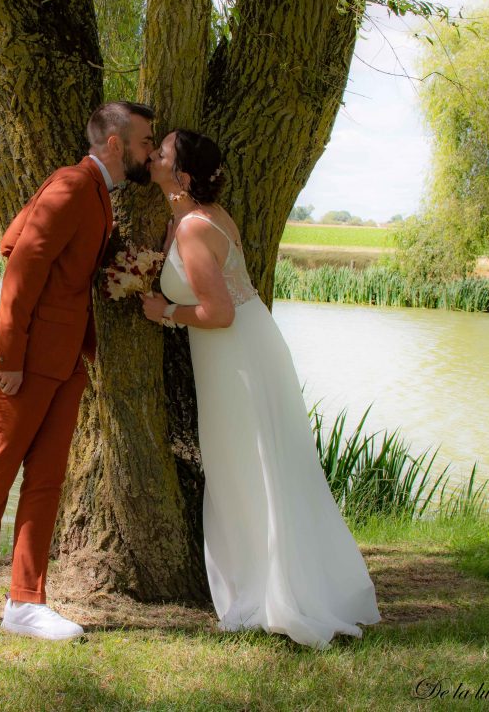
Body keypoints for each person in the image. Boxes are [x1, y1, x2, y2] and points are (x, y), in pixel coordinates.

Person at [140, 129, 381, 648]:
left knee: (246, 467)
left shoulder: (194, 228)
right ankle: (273, 582)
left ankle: (269, 593)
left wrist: (165, 314)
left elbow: (218, 312)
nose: (153, 155)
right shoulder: (195, 219)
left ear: (181, 176)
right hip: (245, 348)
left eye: (161, 153)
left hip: (235, 356)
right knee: (259, 465)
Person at [0, 101, 155, 640]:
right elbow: (20, 264)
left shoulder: (95, 193)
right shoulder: (71, 185)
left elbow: (16, 236)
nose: (149, 151)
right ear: (116, 143)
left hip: (66, 360)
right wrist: (12, 356)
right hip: (25, 360)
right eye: (144, 142)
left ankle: (25, 603)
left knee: (45, 481)